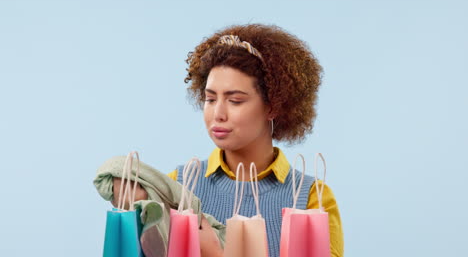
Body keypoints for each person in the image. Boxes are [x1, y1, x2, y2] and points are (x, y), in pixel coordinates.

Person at [113, 23, 344, 257]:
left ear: (272, 106)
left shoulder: (312, 198)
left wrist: (216, 252)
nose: (218, 114)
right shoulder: (180, 187)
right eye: (210, 99)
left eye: (235, 100)